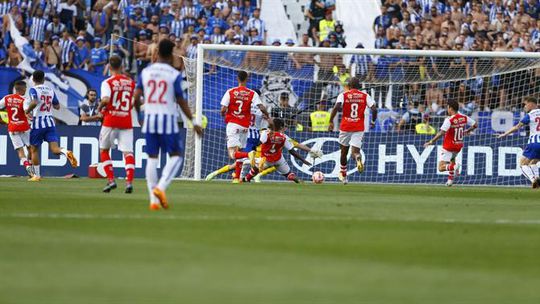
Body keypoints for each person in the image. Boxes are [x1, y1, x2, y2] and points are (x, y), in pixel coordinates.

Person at [134, 39, 203, 210]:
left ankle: (153, 201)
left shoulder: (146, 72)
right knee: (176, 155)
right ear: (171, 53)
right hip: (167, 119)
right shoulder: (173, 74)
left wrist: (139, 116)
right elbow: (181, 101)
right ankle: (161, 187)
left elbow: (136, 97)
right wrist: (193, 122)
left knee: (151, 158)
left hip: (149, 119)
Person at [25, 70, 78, 181]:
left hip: (38, 123)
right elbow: (57, 106)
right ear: (44, 79)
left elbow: (34, 102)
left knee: (34, 150)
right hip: (50, 122)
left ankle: (37, 176)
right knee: (55, 149)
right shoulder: (50, 90)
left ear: (33, 79)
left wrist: (27, 110)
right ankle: (66, 152)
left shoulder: (33, 90)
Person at [220, 71, 270, 184]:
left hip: (233, 124)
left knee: (233, 153)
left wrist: (223, 114)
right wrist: (267, 116)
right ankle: (237, 178)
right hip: (245, 126)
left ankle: (251, 156)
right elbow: (261, 107)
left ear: (237, 78)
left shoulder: (230, 92)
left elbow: (223, 109)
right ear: (247, 79)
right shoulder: (252, 93)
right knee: (240, 151)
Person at [97, 56, 136, 193]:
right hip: (126, 120)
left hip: (111, 120)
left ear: (109, 66)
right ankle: (129, 182)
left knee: (104, 150)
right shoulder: (130, 82)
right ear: (122, 66)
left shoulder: (108, 82)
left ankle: (111, 180)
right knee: (128, 152)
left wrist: (99, 107)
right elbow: (133, 101)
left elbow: (106, 99)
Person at [329, 77, 377, 184]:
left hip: (346, 127)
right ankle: (358, 158)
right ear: (359, 86)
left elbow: (336, 107)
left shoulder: (343, 95)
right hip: (358, 127)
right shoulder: (365, 96)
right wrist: (373, 122)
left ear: (349, 86)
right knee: (355, 152)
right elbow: (374, 109)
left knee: (343, 152)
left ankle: (344, 175)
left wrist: (331, 121)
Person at [424, 100, 478, 187]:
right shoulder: (464, 117)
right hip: (458, 146)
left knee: (441, 167)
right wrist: (468, 130)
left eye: (447, 107)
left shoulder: (449, 119)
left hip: (448, 146)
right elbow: (475, 125)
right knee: (452, 160)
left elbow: (441, 133)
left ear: (451, 108)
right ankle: (450, 181)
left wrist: (431, 142)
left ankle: (455, 167)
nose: (447, 109)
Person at [242, 118, 311, 183]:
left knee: (256, 168)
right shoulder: (284, 137)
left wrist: (254, 147)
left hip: (266, 159)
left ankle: (247, 178)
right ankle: (299, 180)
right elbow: (291, 151)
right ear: (281, 127)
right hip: (278, 159)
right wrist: (303, 160)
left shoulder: (266, 133)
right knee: (289, 174)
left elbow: (260, 142)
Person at [498, 96, 540, 188]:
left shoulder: (531, 114)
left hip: (535, 142)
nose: (525, 107)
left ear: (531, 104)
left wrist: (505, 134)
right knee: (533, 163)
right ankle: (537, 178)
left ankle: (533, 179)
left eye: (525, 104)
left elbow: (517, 127)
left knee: (522, 164)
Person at [0, 81, 33, 177]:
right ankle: (31, 166)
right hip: (24, 127)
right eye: (25, 88)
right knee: (30, 148)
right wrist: (29, 114)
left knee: (20, 151)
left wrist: (1, 119)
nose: (26, 89)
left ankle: (27, 167)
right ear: (23, 89)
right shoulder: (24, 99)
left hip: (12, 128)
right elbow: (26, 109)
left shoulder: (7, 98)